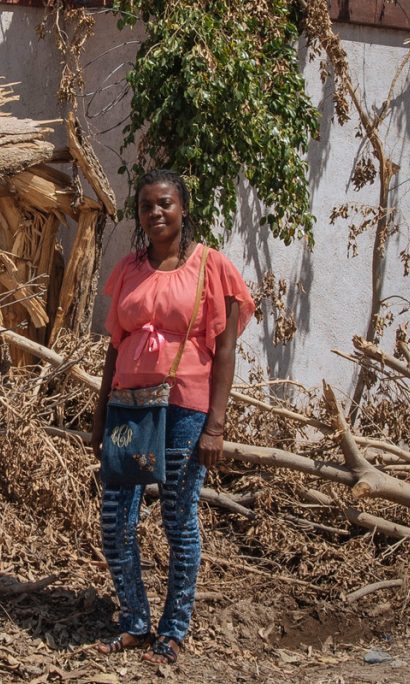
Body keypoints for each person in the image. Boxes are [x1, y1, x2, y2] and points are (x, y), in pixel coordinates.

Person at [91, 169, 255, 665]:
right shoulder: (127, 270)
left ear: (183, 208)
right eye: (146, 206)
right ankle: (136, 621)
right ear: (138, 215)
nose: (156, 213)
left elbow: (224, 350)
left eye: (165, 203)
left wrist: (217, 426)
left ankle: (174, 627)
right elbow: (114, 349)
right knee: (115, 520)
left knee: (177, 518)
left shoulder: (212, 266)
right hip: (127, 406)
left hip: (186, 406)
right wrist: (99, 413)